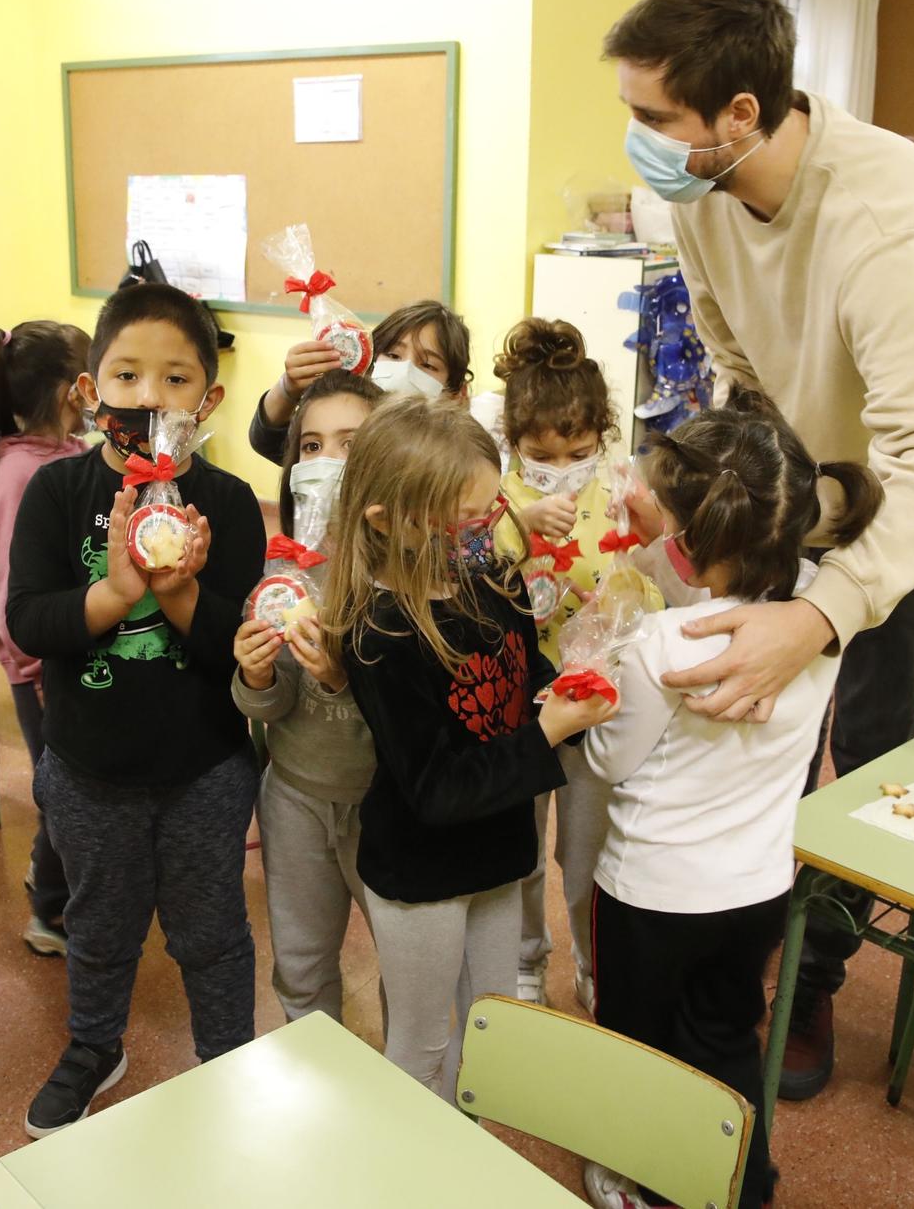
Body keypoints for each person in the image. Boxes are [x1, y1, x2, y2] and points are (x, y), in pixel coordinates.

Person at [605, 0, 914, 1100]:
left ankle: (816, 972)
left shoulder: (888, 220)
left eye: (651, 117)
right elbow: (739, 372)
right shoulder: (697, 193)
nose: (634, 141)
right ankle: (742, 932)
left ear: (740, 113)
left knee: (868, 733)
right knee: (759, 717)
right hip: (805, 475)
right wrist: (691, 490)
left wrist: (824, 609)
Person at [581, 389, 882, 1209]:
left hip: (650, 892)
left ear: (688, 543)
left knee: (638, 1047)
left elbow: (611, 760)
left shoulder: (657, 643)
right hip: (754, 887)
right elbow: (719, 596)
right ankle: (741, 1185)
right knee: (723, 1039)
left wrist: (587, 706)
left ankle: (639, 1178)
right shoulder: (818, 611)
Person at [7, 283, 266, 1137]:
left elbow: (238, 638)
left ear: (210, 399)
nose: (149, 397)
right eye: (126, 374)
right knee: (99, 922)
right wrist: (116, 592)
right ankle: (94, 1045)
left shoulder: (226, 504)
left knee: (212, 929)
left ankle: (229, 1055)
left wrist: (181, 592)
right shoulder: (53, 493)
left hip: (205, 770)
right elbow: (30, 620)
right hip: (89, 771)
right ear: (90, 390)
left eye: (176, 379)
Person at [328, 396, 614, 1101]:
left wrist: (563, 688)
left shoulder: (493, 576)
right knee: (422, 1048)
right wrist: (549, 731)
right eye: (465, 520)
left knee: (490, 1036)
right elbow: (435, 789)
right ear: (389, 520)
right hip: (420, 876)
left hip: (498, 851)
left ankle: (469, 1160)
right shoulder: (380, 635)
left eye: (492, 512)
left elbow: (522, 673)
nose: (487, 533)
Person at [232, 370, 382, 1022]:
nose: (327, 462)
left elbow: (422, 716)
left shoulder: (410, 572)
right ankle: (314, 1094)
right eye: (312, 447)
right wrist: (257, 675)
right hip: (294, 796)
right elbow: (269, 708)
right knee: (299, 968)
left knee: (408, 975)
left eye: (350, 444)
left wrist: (346, 677)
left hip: (386, 807)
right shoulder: (284, 569)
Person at [492, 317, 626, 1012]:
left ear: (601, 437)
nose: (563, 467)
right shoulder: (491, 496)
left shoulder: (621, 490)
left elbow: (645, 581)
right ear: (512, 443)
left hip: (597, 701)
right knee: (517, 843)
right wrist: (517, 524)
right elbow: (471, 574)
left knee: (586, 849)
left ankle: (595, 959)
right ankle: (523, 959)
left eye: (578, 450)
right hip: (518, 700)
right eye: (541, 455)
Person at [0, 320, 93, 958]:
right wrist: (40, 672)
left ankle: (52, 876)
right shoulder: (19, 477)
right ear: (74, 391)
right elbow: (19, 597)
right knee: (64, 793)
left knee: (66, 783)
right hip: (45, 669)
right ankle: (49, 911)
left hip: (69, 659)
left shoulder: (62, 455)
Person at [248, 300, 472, 464]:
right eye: (393, 355)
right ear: (370, 360)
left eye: (428, 365)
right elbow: (267, 440)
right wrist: (288, 388)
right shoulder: (348, 429)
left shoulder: (447, 460)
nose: (405, 369)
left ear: (454, 393)